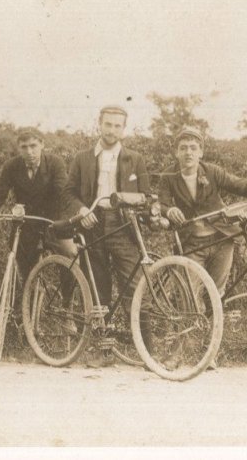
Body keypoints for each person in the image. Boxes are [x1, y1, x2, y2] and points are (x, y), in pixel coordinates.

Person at [63, 105, 150, 366]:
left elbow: (145, 195)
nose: (112, 130)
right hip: (92, 224)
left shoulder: (135, 159)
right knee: (98, 288)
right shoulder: (82, 158)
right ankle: (103, 351)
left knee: (135, 285)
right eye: (108, 124)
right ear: (99, 125)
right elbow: (68, 193)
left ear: (124, 130)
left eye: (117, 126)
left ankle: (150, 353)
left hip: (123, 225)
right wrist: (81, 210)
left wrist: (135, 206)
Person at [158, 126, 247, 298]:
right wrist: (169, 210)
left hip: (221, 238)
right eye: (183, 148)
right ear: (176, 153)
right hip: (192, 243)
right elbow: (162, 204)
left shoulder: (212, 171)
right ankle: (194, 321)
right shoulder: (168, 176)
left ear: (201, 152)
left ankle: (216, 323)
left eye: (193, 148)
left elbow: (240, 184)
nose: (188, 152)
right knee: (190, 295)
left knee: (217, 294)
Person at [0, 127, 77, 276]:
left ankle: (67, 296)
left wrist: (67, 219)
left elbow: (63, 193)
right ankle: (26, 293)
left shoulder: (55, 163)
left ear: (42, 144)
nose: (29, 151)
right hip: (27, 221)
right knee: (20, 257)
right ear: (19, 149)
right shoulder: (12, 166)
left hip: (53, 220)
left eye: (33, 146)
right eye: (24, 147)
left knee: (69, 256)